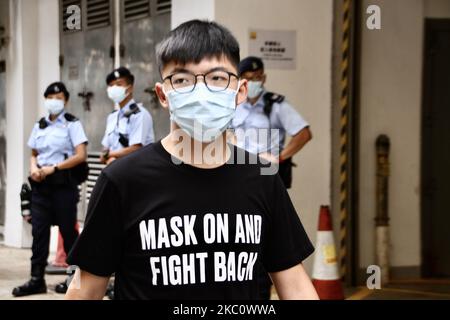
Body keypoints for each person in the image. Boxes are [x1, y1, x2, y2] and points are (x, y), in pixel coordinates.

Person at [65, 20, 318, 300]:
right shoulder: (122, 181)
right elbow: (85, 290)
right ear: (163, 95)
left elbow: (294, 284)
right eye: (182, 80)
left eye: (217, 78)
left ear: (240, 92)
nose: (202, 93)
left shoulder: (262, 178)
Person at [12, 82, 88, 297]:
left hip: (63, 185)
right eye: (50, 96)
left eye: (58, 97)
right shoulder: (40, 125)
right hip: (41, 187)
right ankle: (36, 279)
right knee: (39, 233)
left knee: (68, 233)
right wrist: (34, 167)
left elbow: (81, 155)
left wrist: (53, 168)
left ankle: (75, 281)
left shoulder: (72, 124)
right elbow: (34, 153)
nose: (54, 100)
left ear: (65, 100)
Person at [231, 56, 312, 189]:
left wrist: (280, 158)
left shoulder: (276, 105)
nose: (252, 82)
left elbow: (304, 134)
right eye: (248, 78)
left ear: (263, 78)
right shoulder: (234, 105)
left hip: (266, 175)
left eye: (256, 78)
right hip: (238, 173)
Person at [100, 67, 155, 165]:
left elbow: (136, 148)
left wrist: (109, 155)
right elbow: (105, 149)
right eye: (111, 85)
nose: (114, 88)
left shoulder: (140, 114)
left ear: (130, 88)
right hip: (113, 171)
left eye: (119, 84)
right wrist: (107, 157)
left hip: (136, 173)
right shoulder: (112, 117)